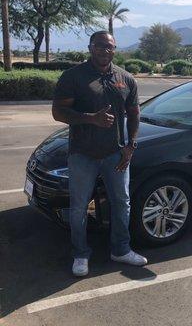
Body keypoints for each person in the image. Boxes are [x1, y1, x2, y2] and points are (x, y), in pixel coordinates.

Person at [52, 31, 147, 277]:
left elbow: (134, 114)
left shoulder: (125, 79)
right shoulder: (74, 76)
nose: (106, 50)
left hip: (116, 154)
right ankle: (80, 254)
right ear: (90, 47)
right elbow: (58, 112)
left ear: (115, 49)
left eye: (110, 46)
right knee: (79, 207)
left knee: (121, 203)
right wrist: (90, 119)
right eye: (101, 46)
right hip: (82, 154)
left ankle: (121, 250)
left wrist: (130, 146)